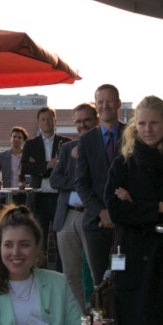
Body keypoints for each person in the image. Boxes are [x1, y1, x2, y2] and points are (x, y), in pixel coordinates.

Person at [105, 96, 163, 325]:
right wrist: (156, 208)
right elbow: (115, 211)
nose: (148, 129)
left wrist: (136, 207)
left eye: (154, 123)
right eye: (142, 123)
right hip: (133, 261)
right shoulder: (123, 165)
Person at [49, 102, 99, 309]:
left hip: (92, 214)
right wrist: (80, 184)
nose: (82, 125)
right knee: (70, 273)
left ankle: (100, 319)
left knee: (98, 272)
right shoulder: (67, 148)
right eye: (78, 121)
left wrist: (82, 180)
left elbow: (103, 181)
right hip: (67, 216)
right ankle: (78, 322)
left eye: (86, 120)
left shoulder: (104, 148)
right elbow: (55, 180)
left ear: (96, 120)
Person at [75, 83, 126, 286]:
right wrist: (101, 212)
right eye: (100, 102)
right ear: (96, 105)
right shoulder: (86, 140)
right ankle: (101, 318)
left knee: (121, 277)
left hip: (124, 226)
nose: (105, 106)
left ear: (118, 104)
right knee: (100, 283)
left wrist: (117, 213)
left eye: (109, 101)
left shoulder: (132, 135)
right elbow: (81, 182)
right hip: (96, 225)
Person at [21, 107, 70, 266]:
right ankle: (42, 277)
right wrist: (47, 165)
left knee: (60, 240)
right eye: (43, 119)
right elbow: (25, 167)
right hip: (39, 197)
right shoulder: (31, 144)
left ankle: (60, 277)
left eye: (49, 118)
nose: (46, 122)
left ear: (55, 121)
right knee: (39, 241)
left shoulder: (66, 143)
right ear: (38, 122)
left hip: (60, 198)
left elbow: (70, 168)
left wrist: (40, 166)